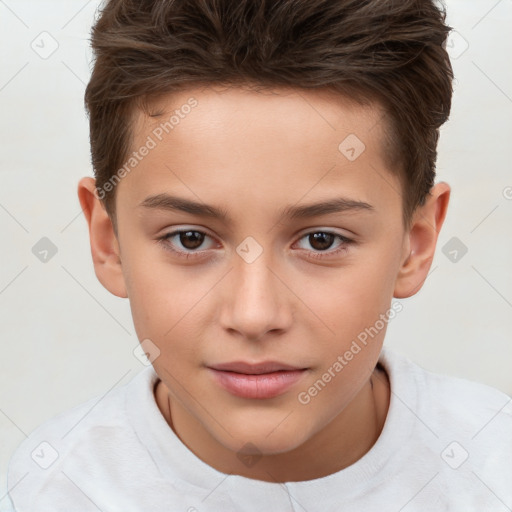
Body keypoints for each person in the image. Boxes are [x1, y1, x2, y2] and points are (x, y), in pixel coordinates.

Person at [6, 0, 511, 510]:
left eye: (322, 240)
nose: (254, 315)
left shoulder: (496, 468)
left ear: (416, 243)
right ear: (107, 241)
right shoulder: (51, 491)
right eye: (190, 239)